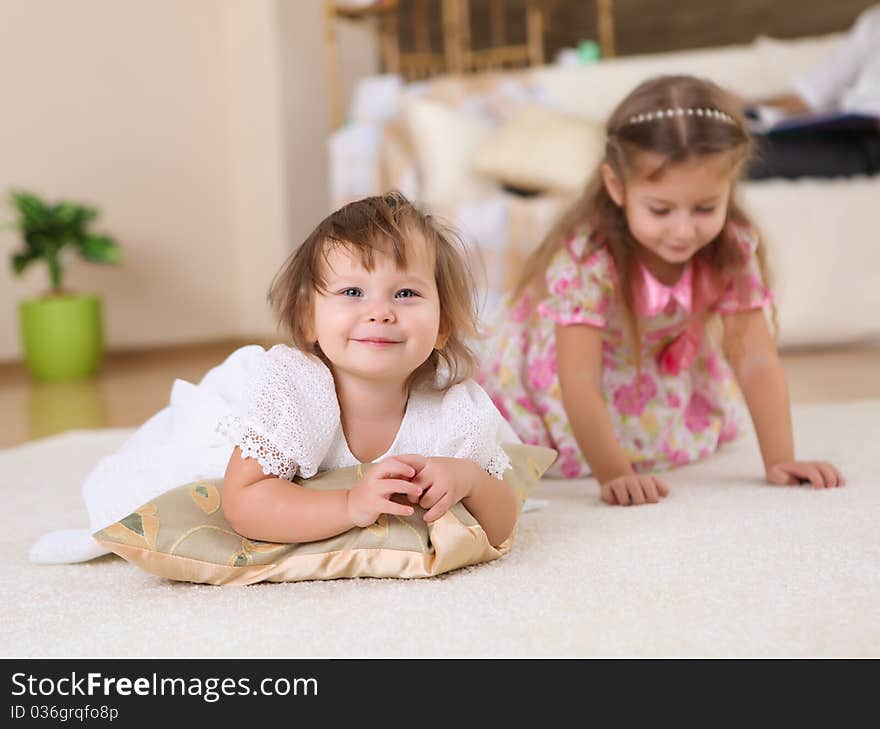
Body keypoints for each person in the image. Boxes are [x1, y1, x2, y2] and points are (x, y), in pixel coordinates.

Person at [31, 192, 521, 563]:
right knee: (166, 483)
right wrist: (350, 504)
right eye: (352, 291)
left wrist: (470, 479)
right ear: (308, 320)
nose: (380, 313)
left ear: (444, 327)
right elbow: (244, 502)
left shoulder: (452, 408)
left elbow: (502, 525)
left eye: (406, 294)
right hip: (235, 423)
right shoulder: (294, 390)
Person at [476, 75, 844, 507]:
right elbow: (576, 379)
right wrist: (615, 474)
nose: (683, 231)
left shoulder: (730, 249)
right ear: (617, 187)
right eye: (660, 209)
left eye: (706, 207)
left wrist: (781, 459)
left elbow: (756, 358)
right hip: (566, 380)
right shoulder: (588, 258)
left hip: (644, 373)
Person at [745, 3, 880, 179]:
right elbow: (810, 95)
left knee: (749, 159)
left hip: (872, 144)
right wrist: (746, 104)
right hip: (849, 129)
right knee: (738, 146)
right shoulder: (873, 21)